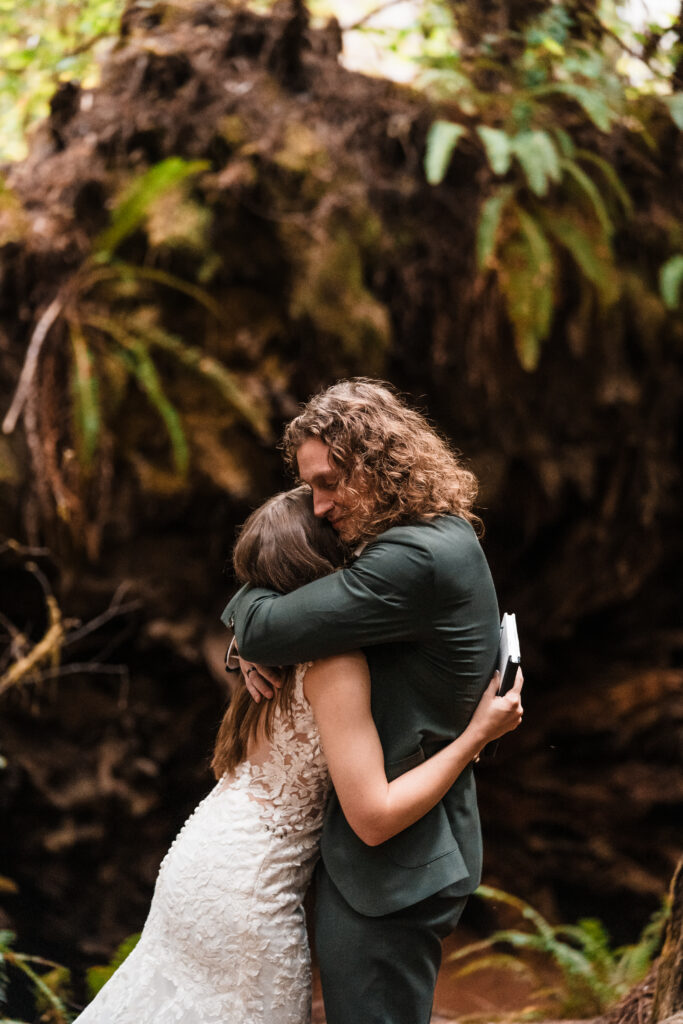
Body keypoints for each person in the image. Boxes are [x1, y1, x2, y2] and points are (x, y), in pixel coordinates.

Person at [73, 487, 522, 1024]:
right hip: (249, 891)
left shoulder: (269, 649)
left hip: (199, 863)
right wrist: (475, 735)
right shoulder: (335, 663)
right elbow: (374, 817)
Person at [223, 378, 508, 1024]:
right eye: (309, 487)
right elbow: (278, 621)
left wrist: (247, 630)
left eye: (328, 483)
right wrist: (245, 641)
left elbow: (270, 624)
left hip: (391, 862)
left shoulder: (410, 561)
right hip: (404, 846)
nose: (318, 507)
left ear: (377, 466)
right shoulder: (438, 533)